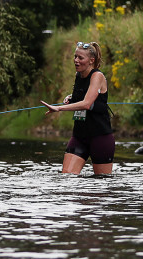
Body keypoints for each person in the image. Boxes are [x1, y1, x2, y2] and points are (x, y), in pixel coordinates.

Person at [41, 41, 114, 176]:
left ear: (91, 60)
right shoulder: (78, 76)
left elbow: (86, 104)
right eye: (75, 57)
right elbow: (81, 98)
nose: (76, 60)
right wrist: (71, 98)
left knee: (101, 183)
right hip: (80, 136)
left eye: (80, 58)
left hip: (100, 137)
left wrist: (60, 108)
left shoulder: (97, 76)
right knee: (67, 177)